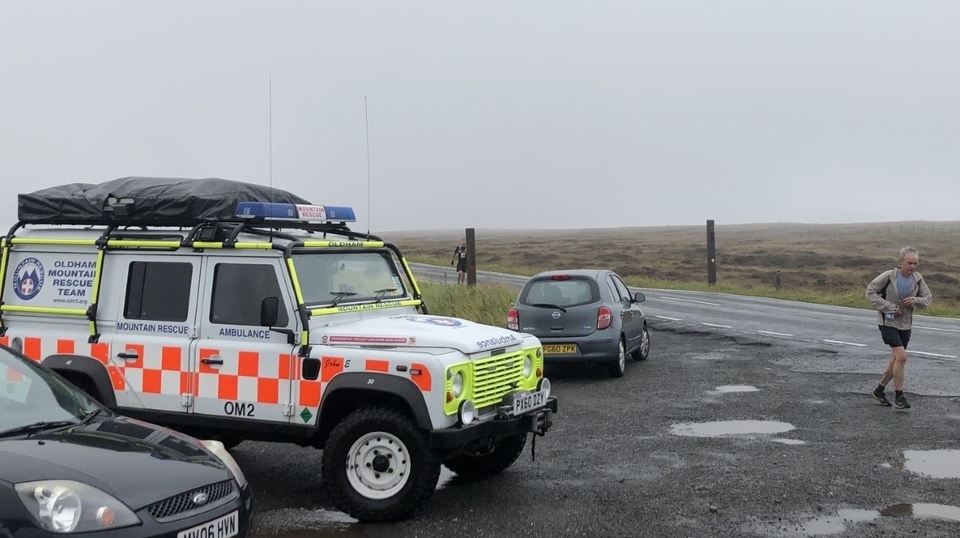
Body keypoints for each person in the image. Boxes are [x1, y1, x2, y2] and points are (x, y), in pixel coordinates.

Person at [865, 246, 932, 410]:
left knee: (896, 360)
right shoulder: (889, 276)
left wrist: (915, 301)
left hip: (906, 324)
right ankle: (899, 397)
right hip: (887, 323)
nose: (912, 267)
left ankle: (879, 391)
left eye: (915, 263)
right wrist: (889, 307)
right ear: (901, 262)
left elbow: (927, 298)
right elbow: (870, 292)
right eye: (909, 263)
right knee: (902, 356)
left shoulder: (918, 279)